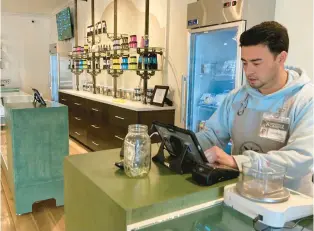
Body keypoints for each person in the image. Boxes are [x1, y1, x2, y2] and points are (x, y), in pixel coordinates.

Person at [195, 21, 314, 196]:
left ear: (281, 58)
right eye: (244, 63)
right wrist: (188, 145)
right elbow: (212, 135)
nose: (248, 71)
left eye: (256, 63)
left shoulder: (305, 99)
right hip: (240, 194)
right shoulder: (238, 96)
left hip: (287, 205)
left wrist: (238, 162)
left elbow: (299, 158)